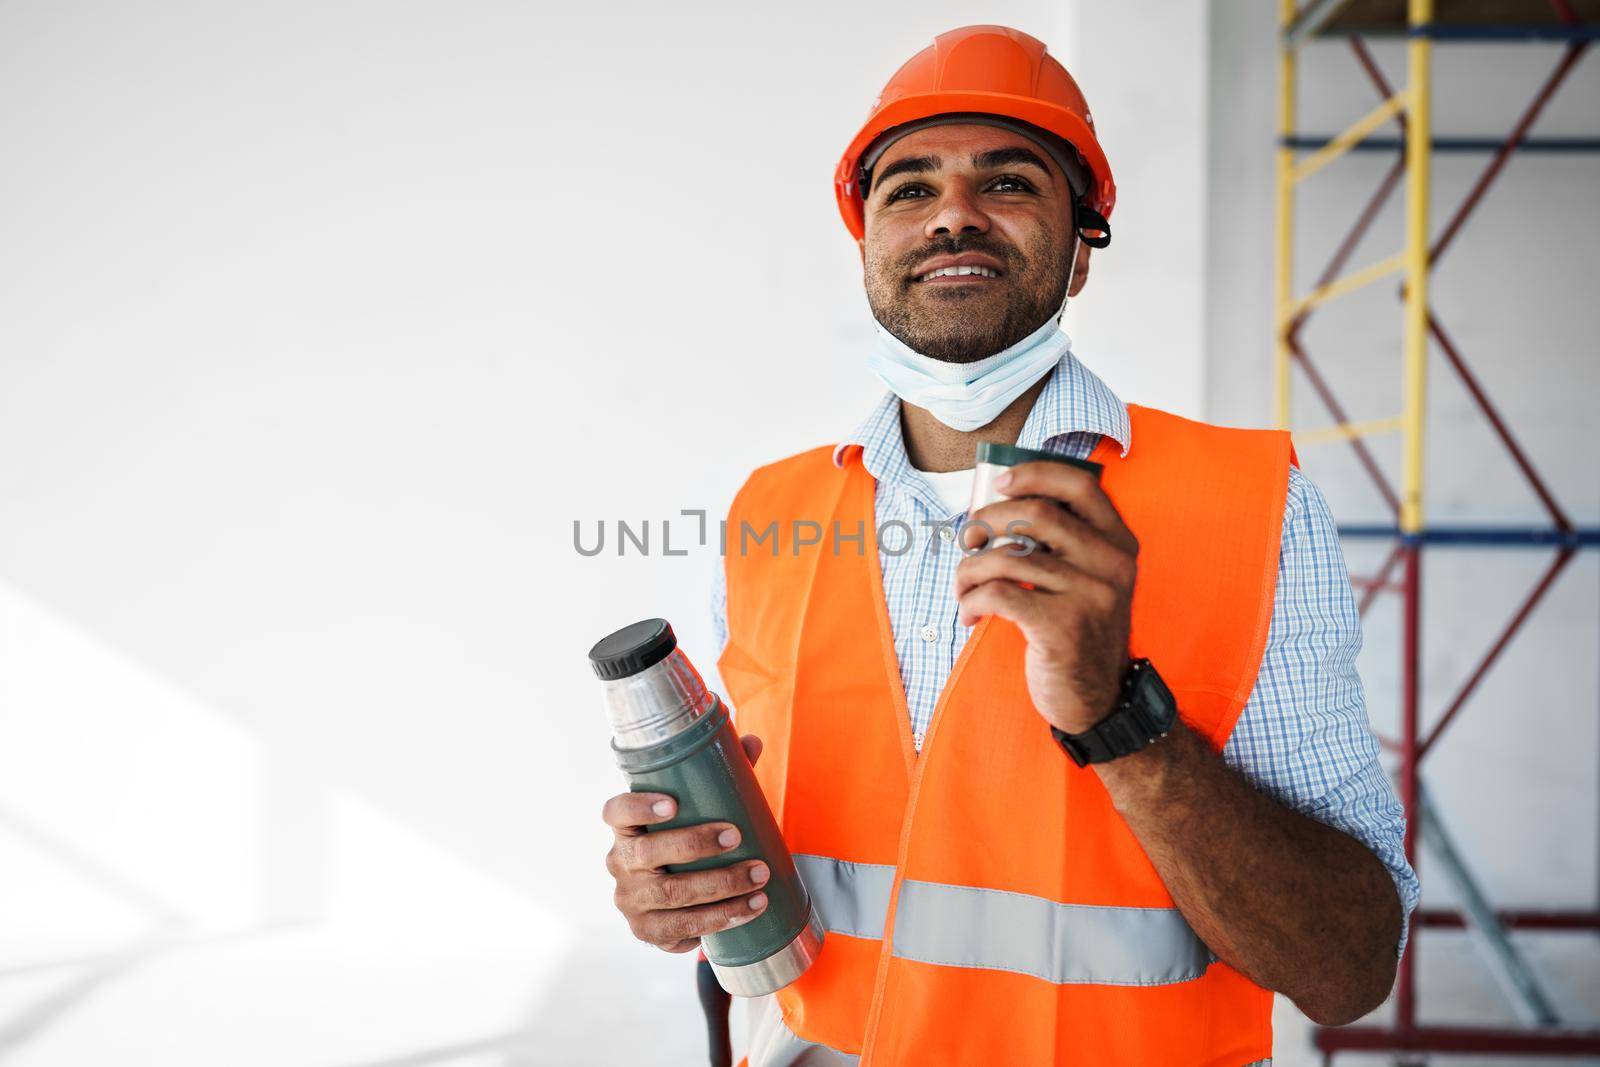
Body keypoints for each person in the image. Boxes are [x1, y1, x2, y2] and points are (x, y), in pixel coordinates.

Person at [601, 24, 1417, 1066]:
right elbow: (783, 880)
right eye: (907, 189)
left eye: (1009, 182)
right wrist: (679, 888)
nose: (952, 215)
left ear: (1081, 248)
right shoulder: (770, 511)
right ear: (866, 247)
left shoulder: (1252, 504)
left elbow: (1346, 967)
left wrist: (1119, 719)